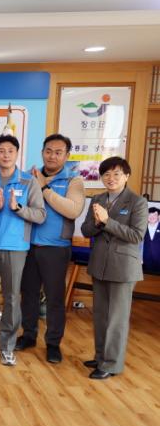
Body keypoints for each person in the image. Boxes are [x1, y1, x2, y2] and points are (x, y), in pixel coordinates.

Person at [0, 135, 46, 366]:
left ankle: (7, 346)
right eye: (1, 151)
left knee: (12, 297)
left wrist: (18, 208)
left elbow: (40, 215)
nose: (5, 155)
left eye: (10, 151)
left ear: (17, 153)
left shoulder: (28, 182)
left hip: (15, 248)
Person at [16, 134, 85, 363]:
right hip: (28, 246)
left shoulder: (74, 180)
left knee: (55, 298)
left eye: (58, 152)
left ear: (67, 155)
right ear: (42, 152)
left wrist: (44, 188)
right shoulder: (29, 176)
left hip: (56, 248)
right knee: (28, 294)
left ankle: (53, 343)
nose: (52, 156)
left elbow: (72, 210)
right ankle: (28, 335)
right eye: (48, 151)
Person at [81, 156, 147, 379]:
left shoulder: (137, 202)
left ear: (126, 176)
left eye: (117, 174)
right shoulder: (98, 199)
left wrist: (107, 221)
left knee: (116, 319)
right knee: (100, 315)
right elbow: (86, 230)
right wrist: (98, 222)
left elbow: (136, 235)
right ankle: (101, 356)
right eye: (106, 174)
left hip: (123, 267)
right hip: (99, 263)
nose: (111, 178)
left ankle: (111, 364)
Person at [142, 207, 160, 273]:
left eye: (154, 215)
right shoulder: (142, 228)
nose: (152, 217)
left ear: (158, 216)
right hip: (145, 261)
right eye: (149, 215)